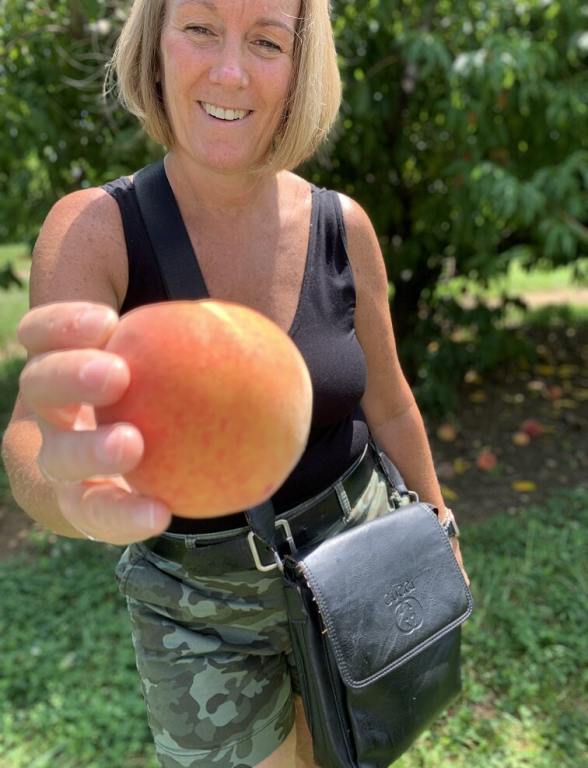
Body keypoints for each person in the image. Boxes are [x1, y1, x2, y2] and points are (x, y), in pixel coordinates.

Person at [2, 0, 469, 766]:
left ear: (299, 68)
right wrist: (73, 497)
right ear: (155, 43)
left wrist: (440, 524)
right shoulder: (96, 230)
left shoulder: (341, 225)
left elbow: (387, 399)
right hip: (200, 608)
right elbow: (34, 433)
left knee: (357, 752)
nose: (230, 70)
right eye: (200, 28)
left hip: (359, 554)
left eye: (266, 41)